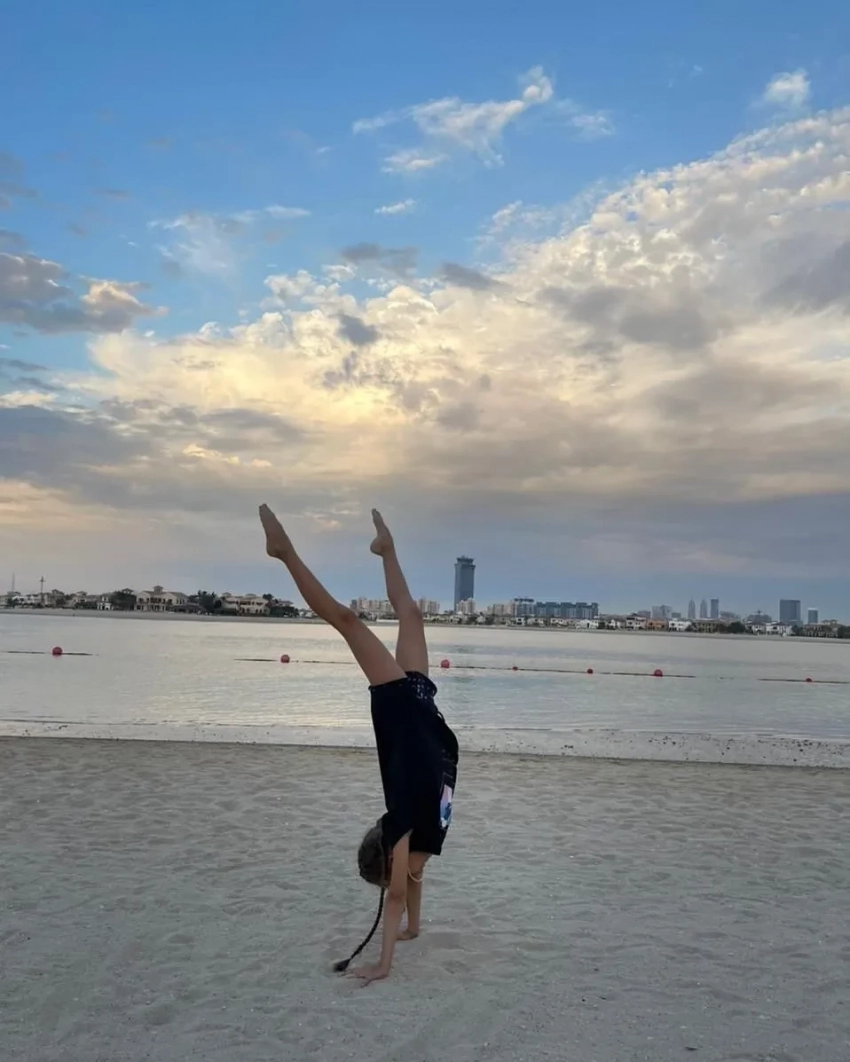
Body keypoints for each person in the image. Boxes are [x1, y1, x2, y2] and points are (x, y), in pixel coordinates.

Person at [259, 503, 459, 986]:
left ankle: (284, 553)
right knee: (411, 613)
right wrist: (410, 932)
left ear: (389, 860)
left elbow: (400, 893)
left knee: (347, 620)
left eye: (393, 873)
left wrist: (384, 963)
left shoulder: (406, 830)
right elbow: (409, 887)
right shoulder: (423, 846)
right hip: (422, 713)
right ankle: (386, 550)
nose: (403, 877)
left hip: (403, 714)